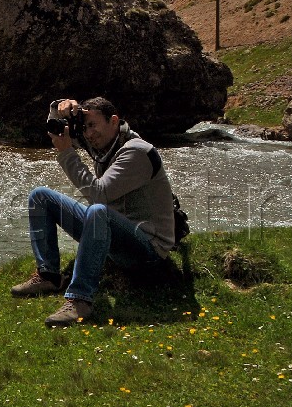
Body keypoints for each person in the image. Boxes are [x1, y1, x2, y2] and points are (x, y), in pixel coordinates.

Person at [11, 97, 178, 327]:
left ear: (113, 121)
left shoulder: (136, 152)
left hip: (147, 249)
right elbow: (54, 127)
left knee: (98, 209)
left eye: (93, 125)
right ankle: (49, 275)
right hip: (112, 233)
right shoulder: (105, 143)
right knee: (40, 196)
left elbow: (99, 194)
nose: (88, 134)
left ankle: (80, 299)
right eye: (85, 126)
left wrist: (67, 153)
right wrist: (58, 107)